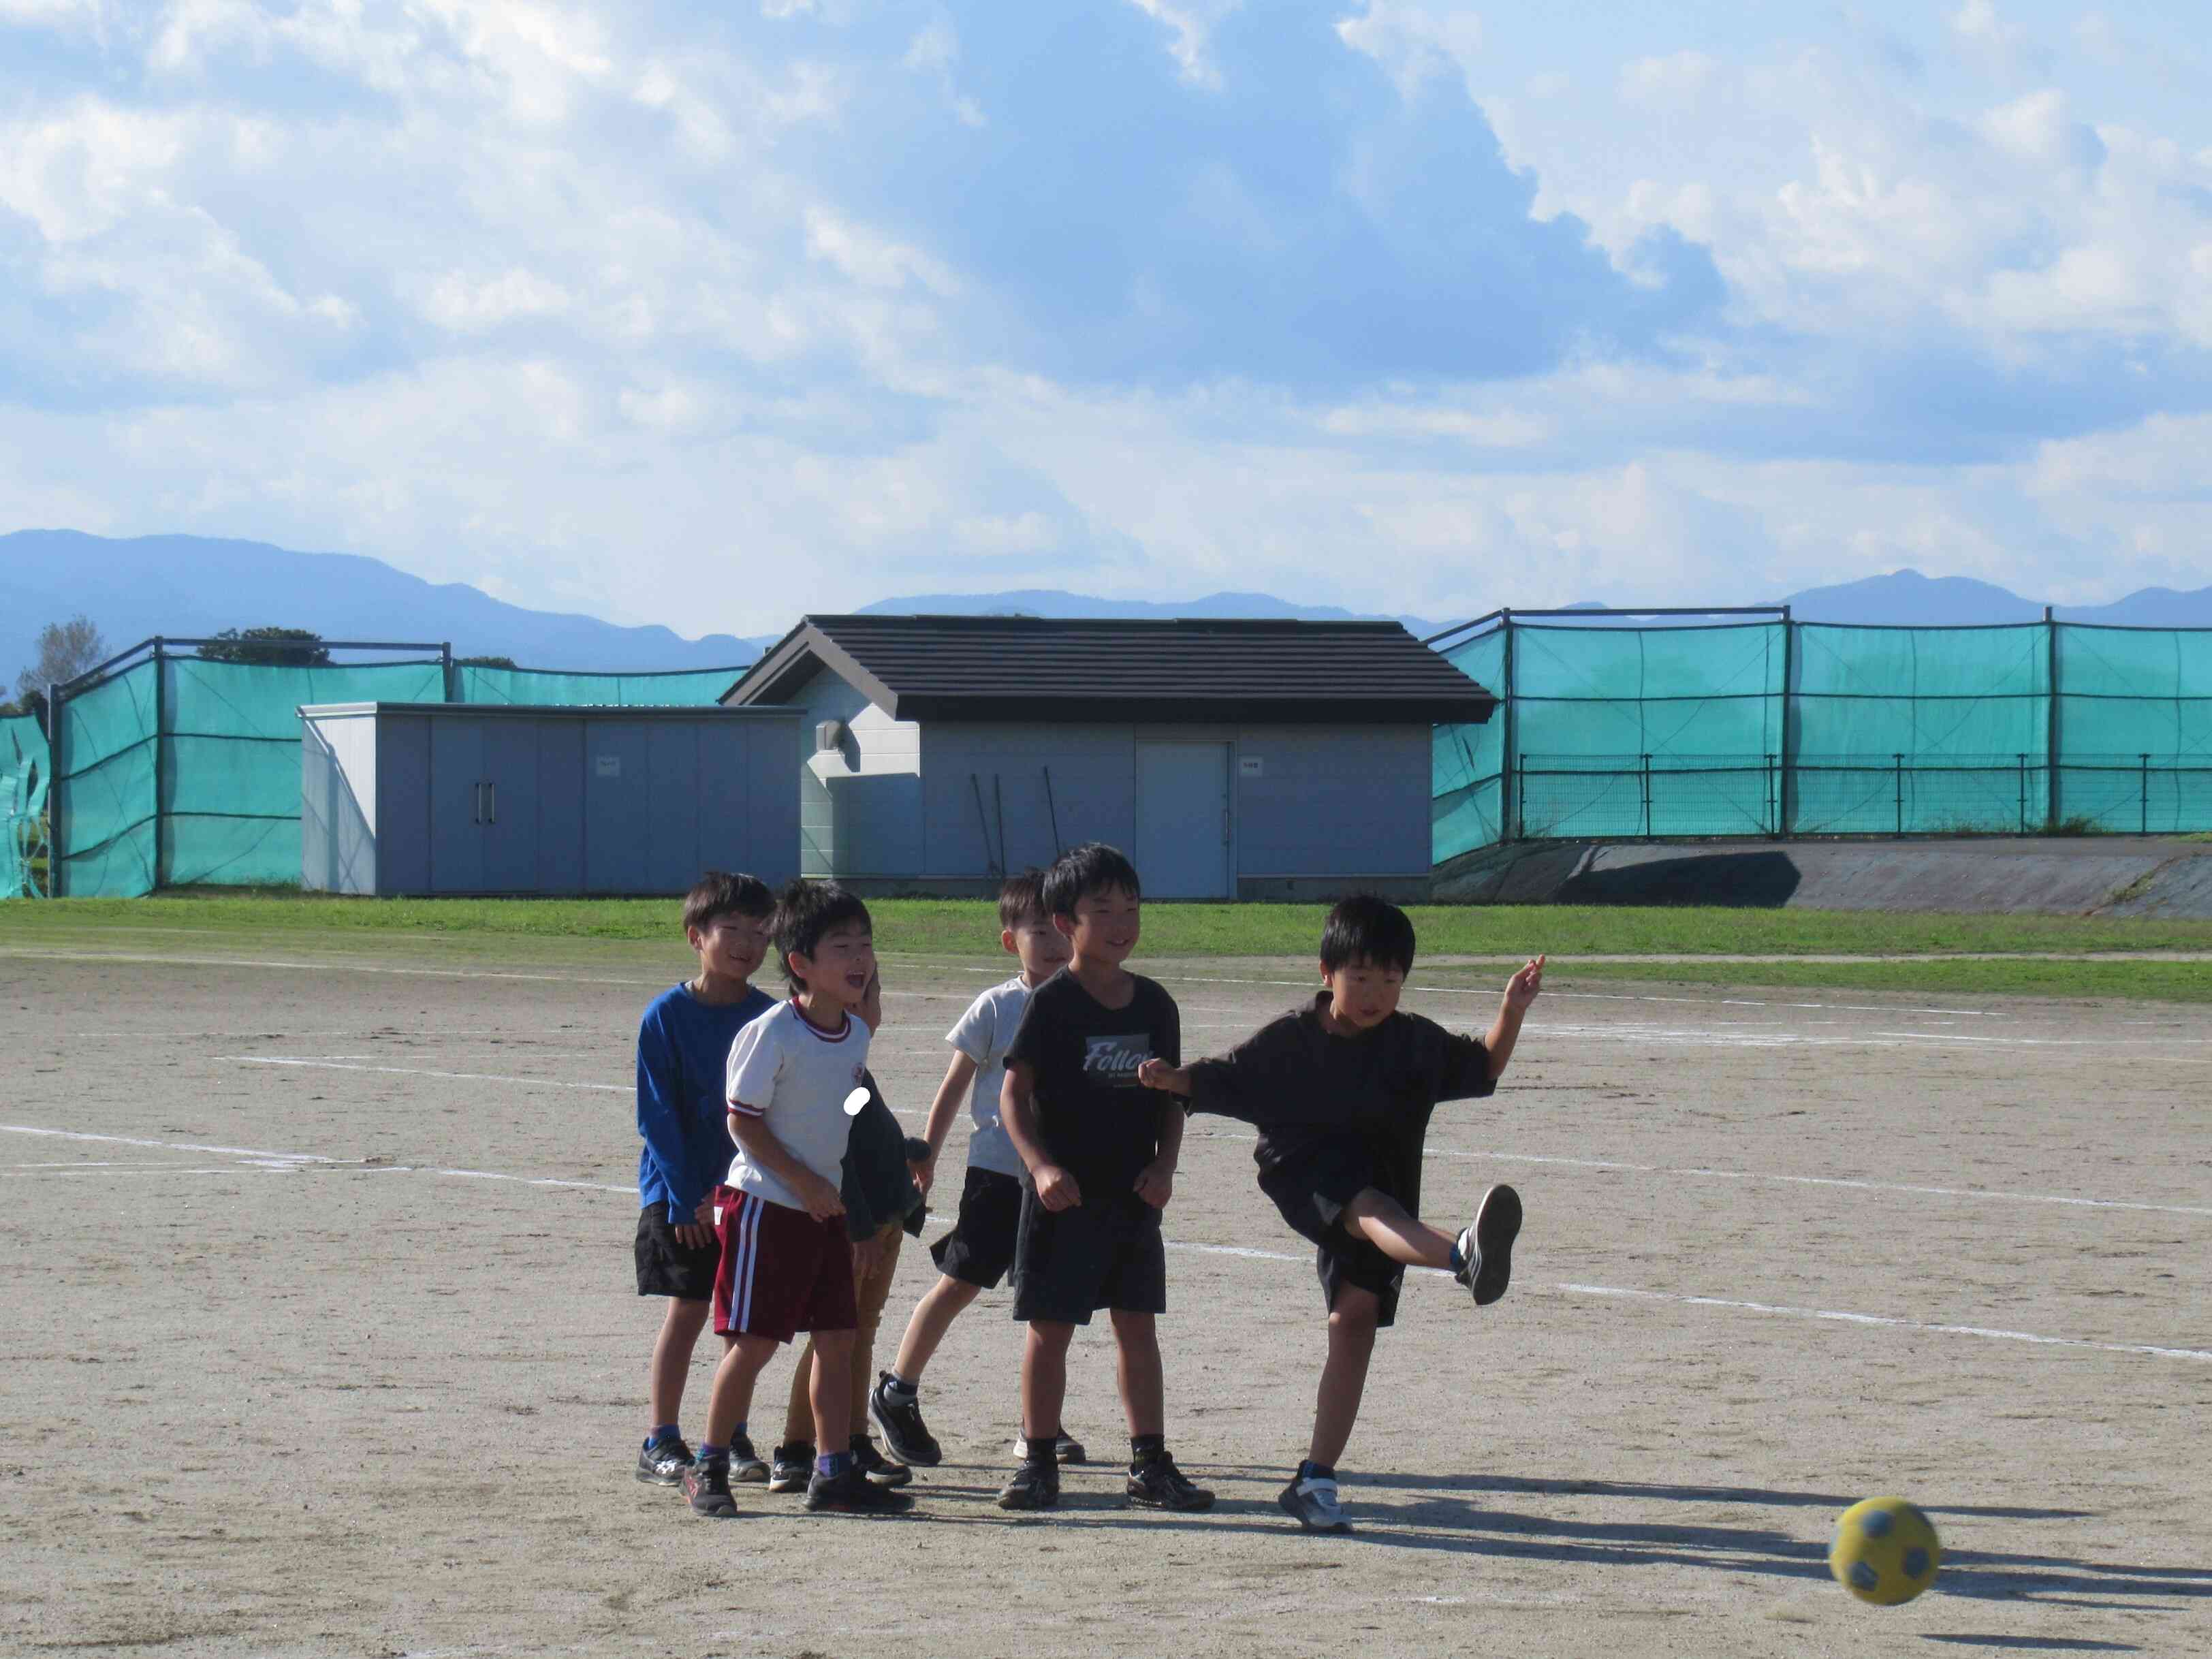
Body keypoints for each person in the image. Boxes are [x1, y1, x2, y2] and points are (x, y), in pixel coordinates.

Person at [1140, 895, 1541, 1533]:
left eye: (1390, 979)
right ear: (1327, 973)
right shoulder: (1292, 1039)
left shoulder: (1412, 1041)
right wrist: (1171, 1079)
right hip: (1305, 1171)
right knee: (1367, 1206)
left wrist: (1509, 1011)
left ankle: (1314, 1479)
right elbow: (1225, 1077)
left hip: (1386, 1181)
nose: (1376, 992)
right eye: (1361, 977)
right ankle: (1464, 1255)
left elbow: (1484, 1066)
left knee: (1352, 1319)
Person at [683, 880, 913, 1517]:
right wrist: (805, 1181)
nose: (861, 959)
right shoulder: (773, 1033)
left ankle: (832, 1472)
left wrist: (887, 1143)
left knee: (839, 1339)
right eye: (842, 946)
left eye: (866, 944)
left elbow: (839, 1106)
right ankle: (708, 1465)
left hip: (824, 1214)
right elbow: (743, 1122)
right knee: (752, 1344)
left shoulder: (855, 1034)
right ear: (800, 964)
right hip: (767, 1210)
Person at [995, 843, 1211, 1513]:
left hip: (1131, 1193)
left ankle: (1149, 1463)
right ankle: (1036, 1461)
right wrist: (1041, 1167)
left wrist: (1164, 1165)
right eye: (1102, 910)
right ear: (1065, 923)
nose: (1120, 922)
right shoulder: (1053, 1003)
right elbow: (1012, 1096)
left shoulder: (1153, 1004)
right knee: (1049, 1328)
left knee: (1136, 1327)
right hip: (1065, 1198)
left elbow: (1174, 1096)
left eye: (1130, 908)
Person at [868, 869, 1091, 1472]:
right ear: (1009, 940)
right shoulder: (998, 1005)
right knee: (961, 1281)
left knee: (1049, 1303)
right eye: (1037, 930)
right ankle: (897, 1389)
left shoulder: (1087, 999)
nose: (1052, 942)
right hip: (996, 1172)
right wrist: (930, 1153)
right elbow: (954, 1084)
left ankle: (1036, 1426)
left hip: (1058, 1175)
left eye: (1061, 929)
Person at [631, 871, 777, 1487]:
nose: (746, 942)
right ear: (697, 936)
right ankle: (660, 1438)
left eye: (759, 931)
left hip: (748, 1194)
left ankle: (731, 1433)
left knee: (740, 1320)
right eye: (731, 929)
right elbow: (657, 1118)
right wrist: (689, 1197)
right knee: (688, 1310)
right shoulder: (666, 1015)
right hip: (683, 1197)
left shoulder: (771, 1016)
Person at [766, 1056, 929, 1493]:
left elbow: (865, 1130)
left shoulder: (855, 1070)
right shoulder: (832, 1069)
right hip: (863, 1227)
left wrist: (906, 1152)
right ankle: (796, 1449)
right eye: (867, 996)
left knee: (858, 1330)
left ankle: (854, 1437)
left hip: (883, 1220)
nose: (875, 1008)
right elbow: (839, 1155)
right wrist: (859, 1229)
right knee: (834, 1333)